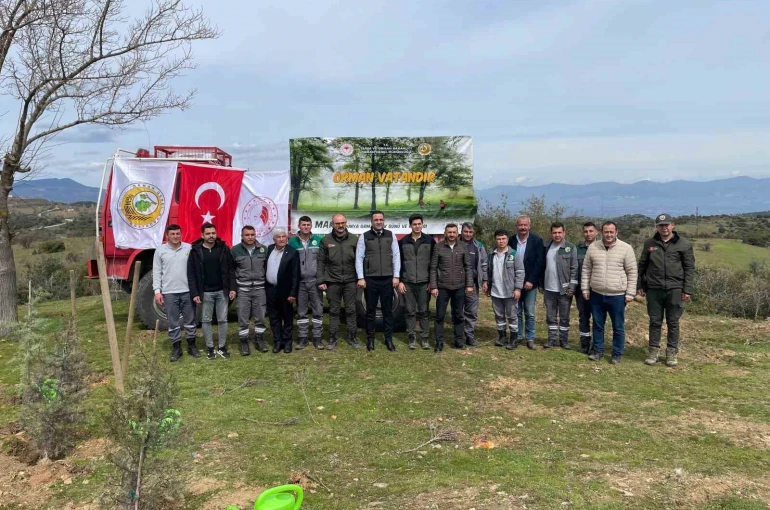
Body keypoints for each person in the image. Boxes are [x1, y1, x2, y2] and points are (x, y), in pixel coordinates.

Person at [638, 213, 695, 367]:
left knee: (673, 322)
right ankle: (653, 352)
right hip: (654, 289)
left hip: (675, 289)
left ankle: (671, 353)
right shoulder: (650, 243)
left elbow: (689, 268)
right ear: (656, 227)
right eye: (661, 225)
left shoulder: (684, 244)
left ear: (672, 225)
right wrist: (640, 285)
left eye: (666, 225)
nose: (664, 228)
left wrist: (687, 289)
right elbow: (642, 266)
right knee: (654, 321)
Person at [581, 221, 638, 364]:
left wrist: (630, 293)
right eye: (606, 232)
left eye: (611, 232)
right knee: (598, 325)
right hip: (597, 293)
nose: (609, 234)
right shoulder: (593, 247)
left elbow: (632, 272)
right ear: (601, 232)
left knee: (618, 326)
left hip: (617, 295)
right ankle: (598, 351)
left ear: (616, 232)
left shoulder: (626, 248)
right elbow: (586, 269)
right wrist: (585, 289)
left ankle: (617, 353)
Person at [187, 222, 236, 360]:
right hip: (205, 293)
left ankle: (221, 347)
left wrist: (232, 288)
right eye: (208, 234)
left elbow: (231, 269)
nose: (211, 236)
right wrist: (195, 293)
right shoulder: (195, 251)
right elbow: (191, 274)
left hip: (222, 291)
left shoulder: (223, 249)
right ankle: (210, 348)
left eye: (213, 233)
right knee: (206, 320)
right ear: (202, 235)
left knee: (223, 320)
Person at [152, 224, 200, 361]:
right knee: (173, 322)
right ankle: (176, 348)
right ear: (167, 235)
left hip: (187, 291)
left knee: (190, 321)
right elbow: (156, 272)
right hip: (169, 292)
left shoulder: (188, 248)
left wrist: (195, 290)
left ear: (181, 234)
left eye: (178, 234)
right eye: (172, 234)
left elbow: (195, 270)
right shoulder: (160, 251)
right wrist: (157, 291)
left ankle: (192, 346)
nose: (175, 236)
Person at [356, 210, 401, 351]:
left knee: (388, 311)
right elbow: (359, 257)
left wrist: (396, 276)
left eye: (381, 219)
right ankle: (370, 340)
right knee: (370, 311)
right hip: (371, 280)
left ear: (384, 220)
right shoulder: (364, 236)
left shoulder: (390, 235)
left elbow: (396, 256)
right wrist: (361, 277)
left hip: (388, 279)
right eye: (376, 220)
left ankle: (388, 340)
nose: (379, 222)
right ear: (372, 221)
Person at [317, 214, 360, 350]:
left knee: (351, 310)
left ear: (346, 223)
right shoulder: (325, 240)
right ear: (332, 224)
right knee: (334, 311)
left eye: (342, 223)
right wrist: (321, 279)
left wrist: (360, 278)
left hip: (350, 281)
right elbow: (321, 261)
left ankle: (352, 338)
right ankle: (333, 339)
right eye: (337, 223)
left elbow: (360, 260)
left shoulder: (354, 239)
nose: (340, 226)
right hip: (332, 281)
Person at [430, 223, 473, 352]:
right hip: (443, 287)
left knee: (459, 315)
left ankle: (458, 341)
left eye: (454, 232)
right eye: (449, 232)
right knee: (439, 316)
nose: (452, 235)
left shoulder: (463, 247)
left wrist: (469, 284)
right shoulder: (438, 247)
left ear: (457, 233)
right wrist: (433, 286)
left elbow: (468, 267)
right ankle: (439, 342)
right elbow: (433, 268)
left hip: (459, 287)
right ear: (445, 233)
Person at [398, 214, 435, 349]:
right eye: (415, 224)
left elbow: (433, 264)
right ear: (410, 225)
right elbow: (399, 263)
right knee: (410, 311)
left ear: (423, 224)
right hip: (408, 282)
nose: (417, 226)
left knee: (424, 311)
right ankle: (411, 338)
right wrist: (401, 281)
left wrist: (432, 282)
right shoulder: (403, 242)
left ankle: (425, 339)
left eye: (419, 224)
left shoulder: (430, 241)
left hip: (424, 283)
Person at [288, 216, 325, 350]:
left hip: (315, 281)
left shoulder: (318, 240)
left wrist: (322, 279)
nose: (306, 227)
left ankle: (317, 338)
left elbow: (322, 262)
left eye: (308, 225)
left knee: (318, 310)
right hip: (300, 283)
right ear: (299, 226)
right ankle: (302, 338)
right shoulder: (292, 242)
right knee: (301, 311)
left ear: (311, 226)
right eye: (303, 225)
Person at [231, 225, 269, 356]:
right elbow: (231, 270)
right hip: (243, 290)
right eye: (247, 235)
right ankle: (244, 342)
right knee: (243, 318)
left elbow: (267, 268)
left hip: (259, 289)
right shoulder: (235, 251)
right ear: (242, 236)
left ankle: (259, 341)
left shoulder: (263, 249)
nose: (250, 237)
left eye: (252, 234)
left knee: (260, 317)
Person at [509, 216, 545, 349]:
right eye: (520, 225)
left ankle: (530, 338)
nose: (523, 227)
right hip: (515, 283)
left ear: (529, 226)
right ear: (516, 226)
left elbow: (539, 262)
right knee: (516, 311)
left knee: (529, 312)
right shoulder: (511, 240)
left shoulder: (537, 240)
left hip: (530, 283)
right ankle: (518, 336)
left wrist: (531, 280)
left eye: (525, 225)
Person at [541, 222, 578, 349]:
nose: (557, 235)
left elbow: (574, 269)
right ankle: (551, 339)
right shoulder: (545, 246)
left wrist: (572, 287)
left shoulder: (570, 247)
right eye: (554, 232)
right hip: (549, 288)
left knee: (564, 317)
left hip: (564, 290)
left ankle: (564, 340)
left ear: (564, 233)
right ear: (551, 234)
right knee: (550, 316)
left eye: (559, 232)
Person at [486, 229, 524, 349]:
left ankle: (513, 339)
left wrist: (518, 288)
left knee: (512, 316)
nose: (501, 241)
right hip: (496, 291)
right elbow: (488, 271)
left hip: (510, 292)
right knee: (499, 316)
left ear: (507, 239)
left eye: (503, 239)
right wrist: (486, 283)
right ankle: (502, 337)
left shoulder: (514, 254)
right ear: (495, 240)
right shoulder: (491, 254)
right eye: (498, 239)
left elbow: (520, 272)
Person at [265, 229, 300, 353]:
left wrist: (293, 293)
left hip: (286, 292)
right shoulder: (269, 249)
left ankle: (287, 342)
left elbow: (296, 275)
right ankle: (277, 342)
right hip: (270, 290)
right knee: (274, 317)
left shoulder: (292, 252)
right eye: (278, 237)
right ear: (274, 239)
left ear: (287, 238)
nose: (281, 239)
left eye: (283, 236)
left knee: (287, 317)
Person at [461, 223, 488, 347]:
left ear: (473, 233)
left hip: (473, 284)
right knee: (458, 310)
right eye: (466, 231)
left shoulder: (479, 246)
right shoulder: (455, 244)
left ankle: (469, 335)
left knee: (471, 311)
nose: (468, 234)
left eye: (470, 232)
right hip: (457, 284)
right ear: (462, 232)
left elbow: (484, 264)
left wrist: (485, 280)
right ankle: (459, 334)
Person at [575, 222, 598, 354]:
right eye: (586, 231)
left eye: (591, 231)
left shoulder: (602, 247)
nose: (588, 234)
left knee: (597, 318)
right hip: (581, 289)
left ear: (596, 232)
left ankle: (596, 344)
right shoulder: (577, 248)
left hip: (597, 289)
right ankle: (584, 343)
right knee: (583, 317)